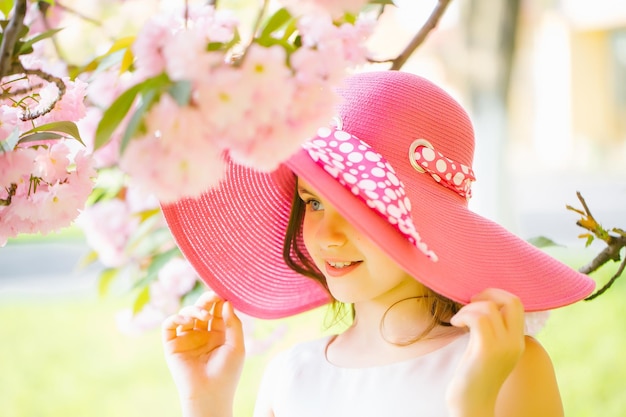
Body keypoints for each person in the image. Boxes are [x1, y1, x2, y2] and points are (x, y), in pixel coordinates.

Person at [159, 71, 595, 417]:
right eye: (312, 203)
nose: (327, 235)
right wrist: (207, 404)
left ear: (428, 224)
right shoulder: (291, 376)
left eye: (355, 209)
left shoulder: (507, 367)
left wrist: (474, 404)